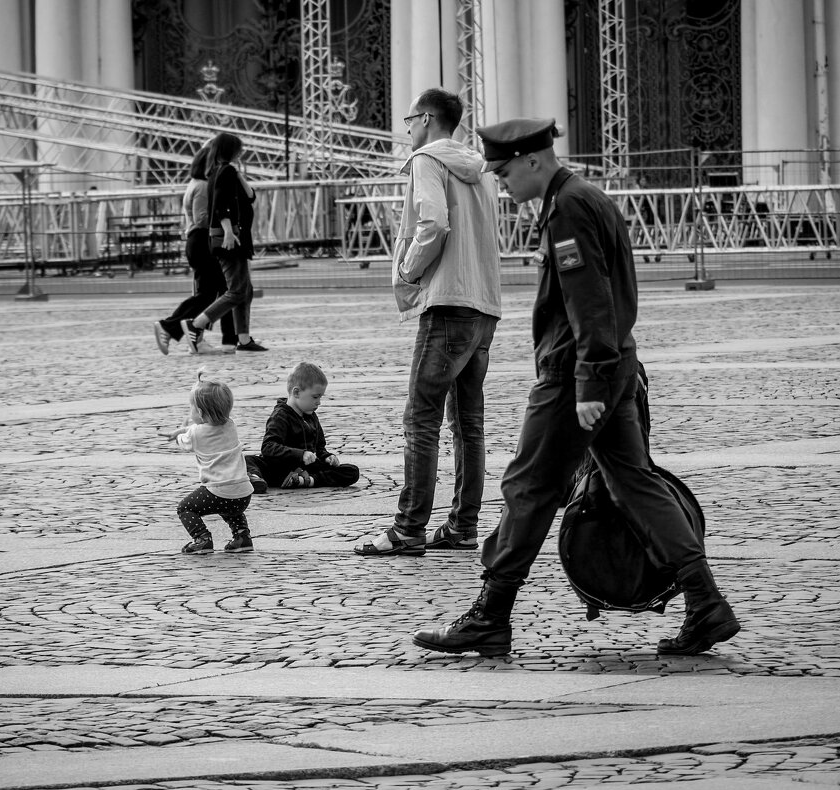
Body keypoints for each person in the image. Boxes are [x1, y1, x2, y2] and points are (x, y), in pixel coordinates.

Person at [412, 118, 740, 657]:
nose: (501, 181)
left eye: (504, 170)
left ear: (534, 160)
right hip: (611, 368)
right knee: (634, 481)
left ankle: (490, 616)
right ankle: (706, 603)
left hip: (576, 377)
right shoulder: (588, 198)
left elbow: (588, 299)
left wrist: (587, 382)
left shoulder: (567, 209)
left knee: (529, 488)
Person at [354, 88, 501, 557]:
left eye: (409, 119)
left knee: (421, 418)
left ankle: (408, 528)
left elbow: (433, 224)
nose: (407, 128)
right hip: (484, 303)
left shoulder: (427, 160)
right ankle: (462, 525)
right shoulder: (479, 168)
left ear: (428, 119)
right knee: (468, 422)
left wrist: (408, 268)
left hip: (448, 301)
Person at [180, 132, 268, 354]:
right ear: (231, 150)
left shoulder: (222, 171)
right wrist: (228, 232)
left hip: (235, 237)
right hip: (231, 238)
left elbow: (249, 196)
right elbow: (221, 206)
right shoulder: (224, 171)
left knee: (244, 290)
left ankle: (244, 339)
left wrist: (237, 173)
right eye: (239, 148)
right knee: (237, 291)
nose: (242, 152)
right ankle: (196, 324)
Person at [160, 370, 255, 554]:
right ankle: (242, 537)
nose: (190, 412)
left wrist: (179, 434)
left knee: (185, 508)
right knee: (231, 508)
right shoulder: (231, 425)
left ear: (201, 413)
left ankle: (201, 538)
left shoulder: (195, 434)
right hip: (243, 493)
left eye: (191, 408)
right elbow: (206, 427)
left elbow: (186, 441)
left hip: (218, 491)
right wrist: (187, 428)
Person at [153, 147, 237, 355]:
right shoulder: (201, 186)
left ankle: (195, 337)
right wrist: (222, 218)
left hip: (196, 241)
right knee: (211, 294)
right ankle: (170, 326)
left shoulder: (195, 184)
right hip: (201, 240)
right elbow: (201, 218)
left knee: (212, 293)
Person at [245, 362, 359, 492]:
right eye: (315, 397)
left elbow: (319, 447)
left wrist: (327, 457)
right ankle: (255, 479)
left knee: (351, 471)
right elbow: (268, 447)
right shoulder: (280, 415)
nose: (319, 402)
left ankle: (307, 481)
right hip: (278, 469)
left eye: (320, 397)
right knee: (248, 460)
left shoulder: (312, 416)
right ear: (297, 392)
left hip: (306, 470)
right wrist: (300, 454)